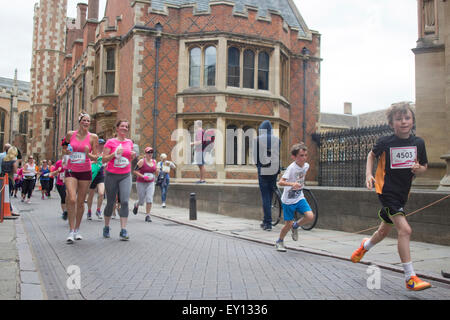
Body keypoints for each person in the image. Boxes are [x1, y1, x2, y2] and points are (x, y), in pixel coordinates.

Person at [350, 103, 431, 291]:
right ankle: (410, 277)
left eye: (407, 118)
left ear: (412, 120)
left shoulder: (418, 143)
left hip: (403, 195)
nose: (403, 122)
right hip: (386, 192)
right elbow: (371, 155)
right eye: (399, 119)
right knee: (405, 230)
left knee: (383, 232)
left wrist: (420, 169)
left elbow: (425, 167)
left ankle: (365, 246)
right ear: (391, 123)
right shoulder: (386, 142)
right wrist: (368, 175)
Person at [64, 112, 99, 244]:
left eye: (88, 121)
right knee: (72, 199)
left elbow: (96, 157)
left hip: (85, 171)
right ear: (79, 121)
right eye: (84, 120)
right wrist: (67, 152)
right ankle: (71, 230)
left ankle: (77, 229)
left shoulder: (93, 137)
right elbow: (65, 147)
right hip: (71, 170)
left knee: (80, 202)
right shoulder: (70, 134)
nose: (86, 123)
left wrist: (87, 154)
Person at [275, 143, 314, 252]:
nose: (304, 158)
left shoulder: (306, 166)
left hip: (299, 197)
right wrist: (293, 184)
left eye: (305, 155)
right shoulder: (291, 168)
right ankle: (279, 241)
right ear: (294, 157)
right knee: (288, 225)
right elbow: (280, 182)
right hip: (288, 200)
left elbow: (301, 177)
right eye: (301, 155)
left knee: (310, 216)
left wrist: (300, 185)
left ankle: (296, 226)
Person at [102, 119, 136, 240]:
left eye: (126, 127)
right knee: (111, 203)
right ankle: (106, 226)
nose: (124, 128)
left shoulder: (129, 142)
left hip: (125, 175)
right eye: (122, 126)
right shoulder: (110, 142)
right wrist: (114, 154)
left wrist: (132, 156)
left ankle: (123, 230)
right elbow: (103, 160)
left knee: (125, 201)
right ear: (117, 128)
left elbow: (128, 159)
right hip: (111, 175)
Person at [254, 120, 281, 231]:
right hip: (274, 170)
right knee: (270, 195)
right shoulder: (278, 140)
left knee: (265, 196)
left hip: (264, 170)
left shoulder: (258, 140)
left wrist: (259, 167)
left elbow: (255, 158)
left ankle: (268, 223)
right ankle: (266, 220)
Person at [132, 147, 158, 222]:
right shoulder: (141, 161)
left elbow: (155, 172)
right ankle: (136, 204)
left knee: (149, 198)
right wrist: (143, 176)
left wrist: (157, 171)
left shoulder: (154, 162)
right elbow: (135, 171)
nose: (150, 154)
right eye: (148, 152)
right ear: (145, 154)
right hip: (141, 182)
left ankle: (148, 215)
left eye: (151, 152)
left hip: (150, 182)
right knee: (141, 201)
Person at [86, 138, 106, 220]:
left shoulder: (105, 154)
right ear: (96, 145)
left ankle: (98, 210)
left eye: (103, 144)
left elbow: (106, 164)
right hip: (92, 175)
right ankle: (89, 211)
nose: (102, 146)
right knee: (91, 194)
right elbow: (86, 162)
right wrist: (93, 162)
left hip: (101, 175)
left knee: (101, 193)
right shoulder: (91, 153)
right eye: (100, 144)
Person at [51, 138, 69, 220]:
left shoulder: (71, 161)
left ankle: (68, 211)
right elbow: (52, 173)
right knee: (63, 197)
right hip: (60, 182)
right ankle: (64, 211)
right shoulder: (58, 163)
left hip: (69, 181)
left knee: (68, 196)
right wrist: (57, 171)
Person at [1, 146, 20, 216]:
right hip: (9, 179)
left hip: (3, 178)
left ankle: (7, 209)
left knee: (3, 195)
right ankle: (9, 210)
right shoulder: (14, 161)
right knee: (8, 195)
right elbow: (15, 171)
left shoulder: (4, 159)